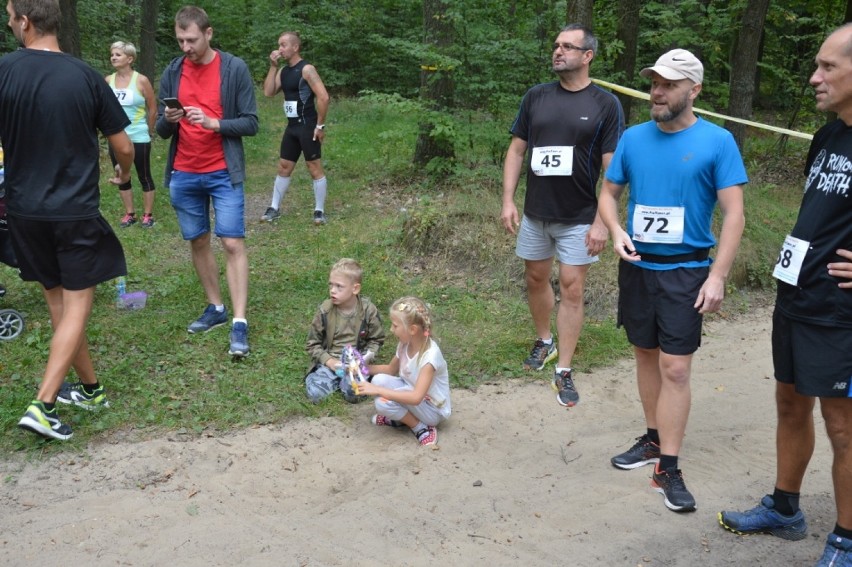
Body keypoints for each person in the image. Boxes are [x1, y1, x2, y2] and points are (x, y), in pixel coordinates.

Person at [718, 25, 852, 566]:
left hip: (842, 313)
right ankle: (785, 507)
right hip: (798, 295)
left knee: (842, 423)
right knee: (789, 403)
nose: (814, 77)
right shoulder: (828, 136)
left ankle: (846, 538)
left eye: (827, 67)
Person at [597, 49, 747, 513]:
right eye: (654, 83)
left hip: (687, 271)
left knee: (676, 368)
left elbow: (735, 213)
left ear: (694, 90)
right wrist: (616, 229)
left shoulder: (718, 141)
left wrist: (717, 276)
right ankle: (653, 438)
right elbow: (608, 192)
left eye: (668, 84)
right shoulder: (634, 138)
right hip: (638, 267)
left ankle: (670, 467)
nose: (657, 92)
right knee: (645, 353)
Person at [0, 0, 134, 440]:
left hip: (22, 210)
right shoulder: (86, 77)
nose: (7, 21)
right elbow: (125, 145)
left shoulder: (4, 70)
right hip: (73, 210)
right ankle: (43, 404)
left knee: (60, 305)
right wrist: (123, 173)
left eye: (9, 14)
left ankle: (92, 390)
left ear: (25, 21)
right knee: (75, 306)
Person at [501, 23, 624, 408]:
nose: (558, 52)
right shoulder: (536, 97)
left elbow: (613, 170)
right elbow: (517, 150)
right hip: (537, 212)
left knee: (571, 286)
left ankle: (564, 370)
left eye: (568, 47)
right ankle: (545, 341)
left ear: (587, 56)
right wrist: (508, 199)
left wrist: (603, 221)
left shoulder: (605, 104)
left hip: (579, 215)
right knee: (536, 277)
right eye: (556, 45)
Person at [156, 5, 258, 357]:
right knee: (198, 240)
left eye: (192, 40)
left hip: (222, 171)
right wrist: (169, 119)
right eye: (181, 40)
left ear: (209, 33)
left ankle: (240, 322)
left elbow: (251, 123)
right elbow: (160, 130)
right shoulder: (172, 71)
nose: (186, 47)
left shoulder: (233, 69)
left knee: (232, 243)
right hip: (184, 172)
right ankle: (216, 308)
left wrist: (215, 123)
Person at [260, 31, 330, 225]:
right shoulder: (283, 71)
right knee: (284, 166)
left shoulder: (307, 69)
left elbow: (323, 97)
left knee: (313, 167)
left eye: (283, 45)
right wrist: (273, 67)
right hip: (291, 128)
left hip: (308, 126)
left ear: (295, 47)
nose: (279, 49)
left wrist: (320, 125)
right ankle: (274, 208)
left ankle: (319, 211)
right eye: (279, 45)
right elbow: (268, 92)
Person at [360, 297, 450, 447]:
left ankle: (421, 427)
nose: (391, 329)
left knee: (382, 404)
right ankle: (401, 418)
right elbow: (389, 370)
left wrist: (377, 390)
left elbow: (416, 397)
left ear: (412, 329)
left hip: (431, 409)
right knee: (378, 380)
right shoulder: (404, 344)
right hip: (412, 393)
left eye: (395, 325)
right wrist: (362, 368)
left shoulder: (430, 357)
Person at [305, 258, 385, 403]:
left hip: (355, 364)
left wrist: (365, 357)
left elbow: (376, 339)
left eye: (339, 287)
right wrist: (329, 361)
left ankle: (345, 382)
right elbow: (312, 344)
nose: (332, 291)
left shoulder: (368, 310)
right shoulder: (325, 311)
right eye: (331, 285)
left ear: (355, 289)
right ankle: (326, 378)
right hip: (331, 362)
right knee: (315, 395)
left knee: (354, 395)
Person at [106, 41, 158, 228]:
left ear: (130, 58)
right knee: (121, 172)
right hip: (117, 136)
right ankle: (130, 214)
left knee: (144, 174)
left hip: (138, 135)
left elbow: (153, 109)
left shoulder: (141, 80)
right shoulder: (108, 81)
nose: (113, 57)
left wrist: (148, 131)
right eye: (112, 54)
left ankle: (148, 215)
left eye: (118, 54)